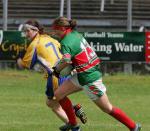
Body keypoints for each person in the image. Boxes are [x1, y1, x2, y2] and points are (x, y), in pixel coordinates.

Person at [50, 17, 141, 131]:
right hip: (83, 73)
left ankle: (133, 127)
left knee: (107, 108)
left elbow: (66, 60)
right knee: (58, 94)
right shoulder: (75, 34)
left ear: (63, 28)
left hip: (89, 78)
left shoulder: (65, 42)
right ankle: (73, 124)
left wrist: (57, 70)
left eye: (56, 29)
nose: (54, 32)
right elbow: (77, 55)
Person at [17, 19, 87, 131]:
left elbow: (24, 65)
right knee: (51, 102)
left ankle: (75, 124)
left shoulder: (35, 44)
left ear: (35, 30)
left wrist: (19, 56)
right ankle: (73, 117)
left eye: (28, 31)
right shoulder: (49, 38)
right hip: (66, 70)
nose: (26, 34)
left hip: (56, 74)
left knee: (56, 101)